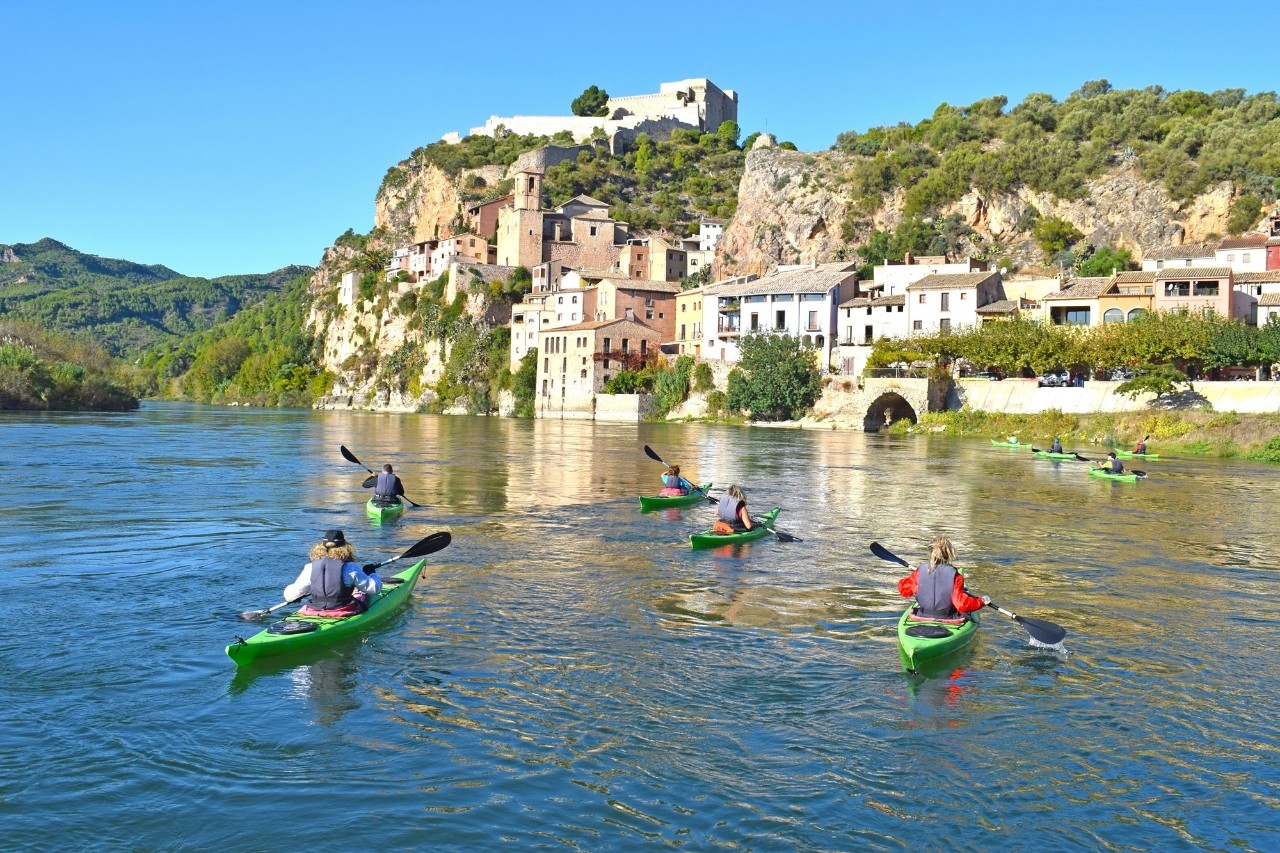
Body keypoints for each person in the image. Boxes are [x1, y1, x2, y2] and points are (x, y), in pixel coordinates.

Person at [283, 529, 382, 617]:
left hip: (315, 609)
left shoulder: (310, 567)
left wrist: (297, 597)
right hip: (342, 610)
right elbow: (374, 589)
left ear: (321, 547)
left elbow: (290, 596)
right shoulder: (350, 567)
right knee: (366, 595)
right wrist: (371, 573)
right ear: (345, 547)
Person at [897, 536, 989, 621]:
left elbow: (903, 590)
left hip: (922, 615)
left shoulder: (919, 572)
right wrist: (981, 602)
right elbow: (961, 604)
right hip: (949, 617)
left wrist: (917, 582)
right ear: (949, 554)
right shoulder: (956, 576)